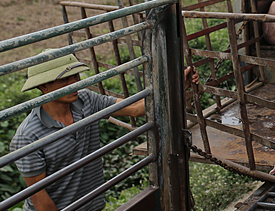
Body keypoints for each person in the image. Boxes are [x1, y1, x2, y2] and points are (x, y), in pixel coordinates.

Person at [9, 50, 199, 211]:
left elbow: (135, 108)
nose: (75, 82)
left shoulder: (86, 100)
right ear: (44, 86)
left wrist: (178, 85)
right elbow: (39, 199)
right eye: (65, 79)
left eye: (76, 76)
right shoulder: (28, 136)